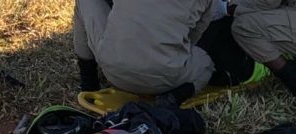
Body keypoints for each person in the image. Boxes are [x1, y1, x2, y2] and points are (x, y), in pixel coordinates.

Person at [73, 0, 227, 105]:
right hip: (167, 78)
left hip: (113, 70)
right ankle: (174, 97)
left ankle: (89, 82)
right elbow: (196, 33)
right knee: (205, 64)